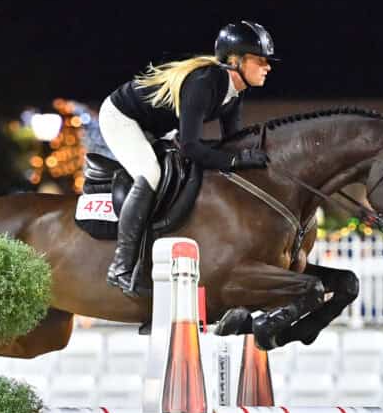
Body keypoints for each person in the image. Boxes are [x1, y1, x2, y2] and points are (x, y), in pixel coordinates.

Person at [99, 20, 276, 295]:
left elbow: (231, 143)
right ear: (235, 60)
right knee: (152, 173)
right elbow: (191, 147)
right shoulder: (205, 82)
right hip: (122, 117)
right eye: (261, 60)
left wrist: (249, 157)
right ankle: (120, 267)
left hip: (158, 128)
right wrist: (234, 161)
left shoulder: (234, 93)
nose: (268, 67)